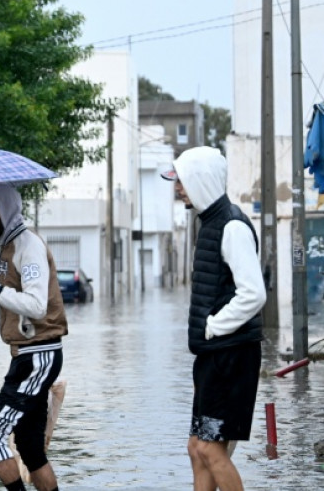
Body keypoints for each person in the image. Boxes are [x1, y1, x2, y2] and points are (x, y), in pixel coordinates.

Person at [161, 146, 266, 491]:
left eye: (182, 180)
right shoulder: (210, 223)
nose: (178, 188)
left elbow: (254, 294)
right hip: (215, 356)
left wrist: (212, 326)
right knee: (197, 448)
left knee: (210, 448)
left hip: (231, 357)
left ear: (201, 179)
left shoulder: (232, 225)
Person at [0, 184, 67, 491]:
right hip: (28, 354)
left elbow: (37, 306)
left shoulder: (28, 245)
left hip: (38, 355)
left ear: (6, 210)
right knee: (29, 447)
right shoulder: (9, 245)